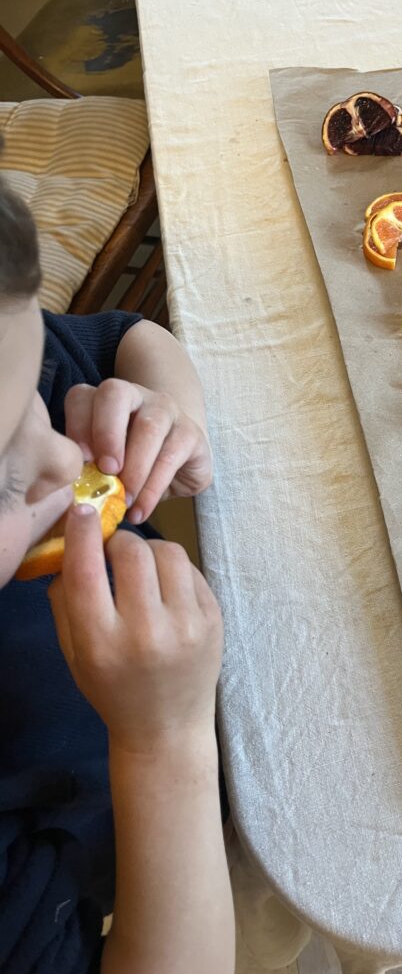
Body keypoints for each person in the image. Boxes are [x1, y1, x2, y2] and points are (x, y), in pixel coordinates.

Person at [0, 177, 235, 973]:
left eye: (32, 400)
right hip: (152, 875)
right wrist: (165, 742)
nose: (66, 456)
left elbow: (124, 338)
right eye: (3, 473)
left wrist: (171, 410)